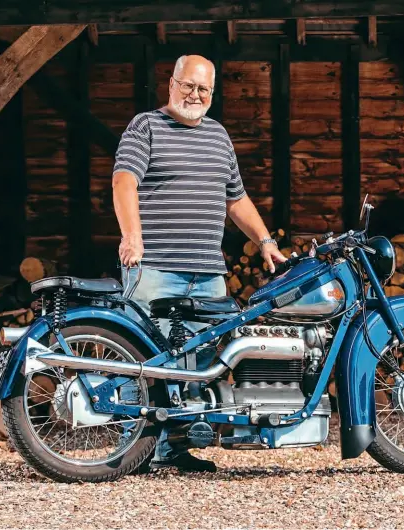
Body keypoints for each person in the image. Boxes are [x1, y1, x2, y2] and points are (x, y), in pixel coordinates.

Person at [112, 54, 286, 472]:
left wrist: (264, 240)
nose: (194, 94)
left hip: (208, 273)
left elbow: (236, 198)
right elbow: (124, 181)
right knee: (145, 360)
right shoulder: (146, 126)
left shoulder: (218, 136)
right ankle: (130, 451)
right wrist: (132, 236)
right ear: (170, 85)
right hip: (155, 267)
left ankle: (174, 448)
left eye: (203, 88)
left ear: (212, 93)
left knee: (200, 364)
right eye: (188, 85)